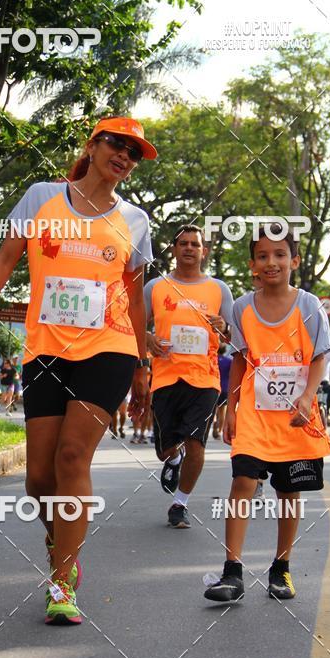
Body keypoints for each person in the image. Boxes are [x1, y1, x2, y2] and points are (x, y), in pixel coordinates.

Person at [0, 115, 156, 625]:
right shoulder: (41, 197)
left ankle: (63, 577)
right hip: (46, 349)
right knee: (38, 480)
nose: (124, 156)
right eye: (117, 143)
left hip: (108, 348)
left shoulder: (135, 221)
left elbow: (135, 300)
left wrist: (141, 364)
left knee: (73, 456)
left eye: (134, 154)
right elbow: (7, 257)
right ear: (93, 145)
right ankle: (59, 542)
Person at [204, 224, 330, 603]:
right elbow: (242, 360)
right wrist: (230, 406)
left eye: (279, 255)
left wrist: (308, 397)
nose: (271, 262)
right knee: (242, 482)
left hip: (295, 416)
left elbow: (318, 358)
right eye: (263, 256)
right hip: (255, 415)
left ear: (294, 260)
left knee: (287, 489)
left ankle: (281, 568)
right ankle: (233, 572)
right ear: (252, 265)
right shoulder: (242, 307)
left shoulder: (309, 306)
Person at [144, 225, 234, 528]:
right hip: (166, 378)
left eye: (195, 244)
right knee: (164, 449)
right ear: (173, 249)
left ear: (203, 251)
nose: (189, 248)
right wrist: (147, 339)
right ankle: (172, 458)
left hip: (204, 380)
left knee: (196, 444)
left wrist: (224, 326)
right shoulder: (155, 287)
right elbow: (131, 324)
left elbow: (232, 334)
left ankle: (180, 503)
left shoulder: (219, 289)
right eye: (182, 243)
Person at [213, 345, 233, 439]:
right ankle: (220, 431)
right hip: (225, 388)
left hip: (214, 386)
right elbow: (231, 374)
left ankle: (214, 424)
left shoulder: (213, 359)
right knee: (222, 411)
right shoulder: (228, 361)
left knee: (213, 410)